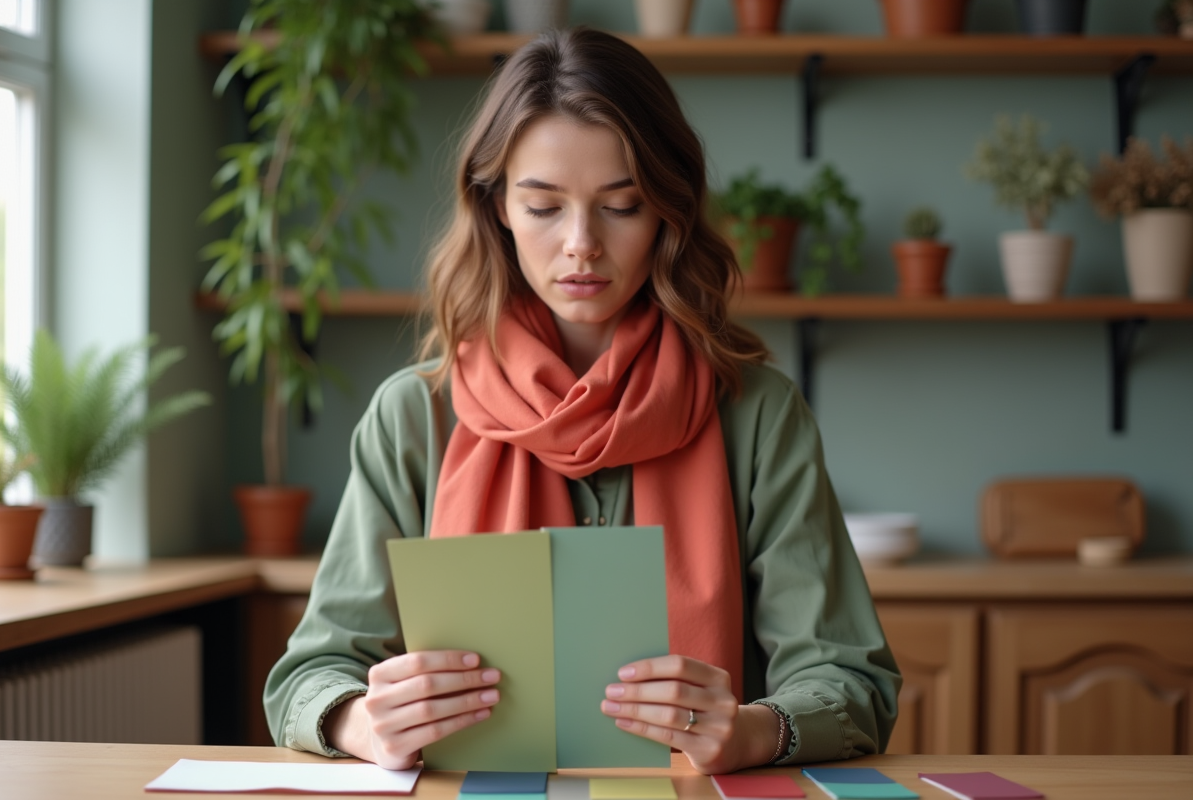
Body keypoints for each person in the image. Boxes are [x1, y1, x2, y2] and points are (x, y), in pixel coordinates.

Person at [264, 27, 900, 775]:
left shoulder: (756, 414)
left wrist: (759, 731)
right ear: (497, 206)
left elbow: (854, 683)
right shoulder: (415, 416)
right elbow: (307, 678)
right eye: (543, 207)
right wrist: (362, 725)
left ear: (668, 208)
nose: (581, 245)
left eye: (621, 205)